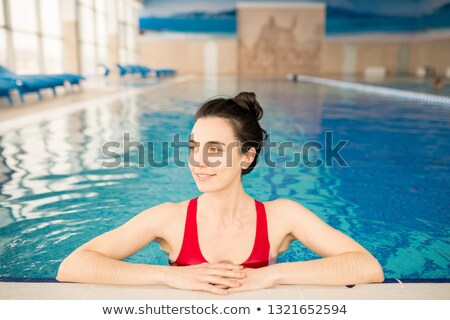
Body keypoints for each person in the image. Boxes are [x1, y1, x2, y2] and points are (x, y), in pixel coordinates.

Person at [57, 92, 384, 295]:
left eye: (214, 149)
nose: (199, 160)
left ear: (246, 156)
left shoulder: (281, 216)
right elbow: (73, 266)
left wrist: (271, 276)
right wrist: (173, 278)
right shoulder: (169, 218)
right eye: (194, 147)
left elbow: (366, 267)